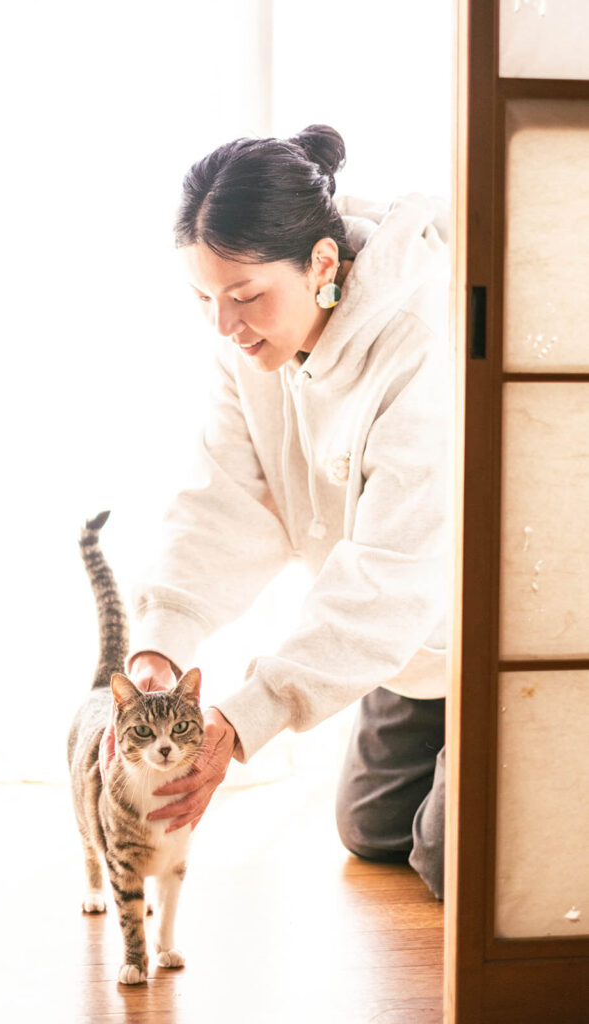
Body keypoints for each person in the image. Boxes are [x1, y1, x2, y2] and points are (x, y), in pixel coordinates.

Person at [111, 124, 449, 900]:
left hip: (486, 629)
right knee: (371, 832)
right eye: (203, 298)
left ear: (322, 264)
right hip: (408, 647)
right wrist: (161, 643)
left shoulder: (420, 343)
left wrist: (246, 716)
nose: (225, 327)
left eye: (245, 296)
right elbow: (223, 504)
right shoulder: (247, 351)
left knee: (451, 858)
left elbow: (394, 572)